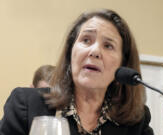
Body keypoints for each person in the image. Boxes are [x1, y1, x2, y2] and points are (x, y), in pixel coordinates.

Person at [0, 9, 154, 135]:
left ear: (123, 65)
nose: (95, 51)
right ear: (70, 53)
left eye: (108, 45)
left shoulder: (136, 121)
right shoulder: (27, 104)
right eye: (86, 40)